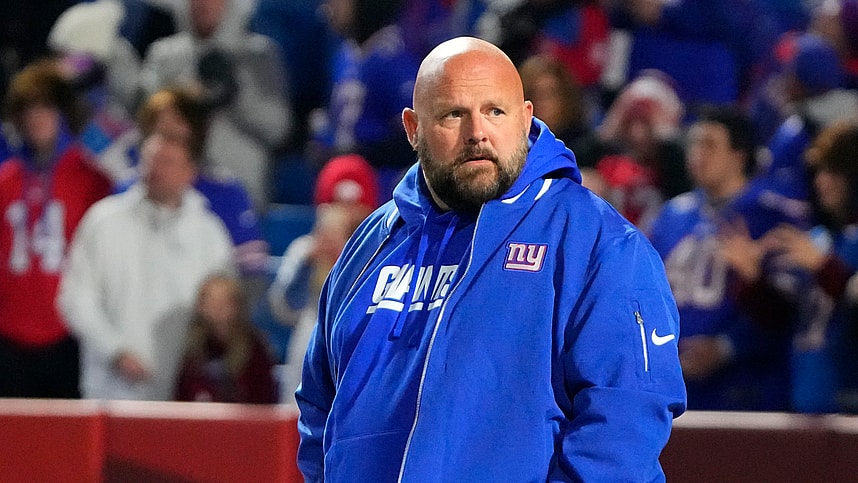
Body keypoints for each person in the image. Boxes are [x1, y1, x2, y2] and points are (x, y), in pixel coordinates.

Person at [296, 36, 686, 481]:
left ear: (525, 118)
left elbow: (626, 421)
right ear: (413, 128)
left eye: (495, 111)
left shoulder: (596, 242)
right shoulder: (372, 246)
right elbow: (318, 406)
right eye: (453, 114)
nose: (477, 132)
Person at [57, 86, 236, 401]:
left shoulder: (209, 233)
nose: (156, 169)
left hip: (182, 394)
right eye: (151, 159)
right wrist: (115, 351)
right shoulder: (103, 221)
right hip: (110, 391)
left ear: (189, 171)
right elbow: (75, 298)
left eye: (168, 161)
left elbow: (222, 310)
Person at [647, 105, 806, 411]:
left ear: (739, 155)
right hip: (676, 385)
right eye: (694, 143)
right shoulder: (671, 215)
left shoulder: (771, 215)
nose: (697, 154)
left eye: (710, 144)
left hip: (748, 390)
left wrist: (728, 346)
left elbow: (790, 311)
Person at [0, 58, 113, 398]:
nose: (37, 118)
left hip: (69, 334)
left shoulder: (93, 181)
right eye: (29, 109)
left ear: (64, 113)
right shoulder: (5, 182)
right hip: (8, 335)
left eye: (46, 107)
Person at [140, 0, 293, 209]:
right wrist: (185, 94)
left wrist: (236, 93)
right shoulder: (165, 55)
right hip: (170, 190)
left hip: (241, 189)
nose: (205, 4)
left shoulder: (259, 54)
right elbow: (145, 121)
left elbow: (278, 129)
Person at [267, 153, 379, 404]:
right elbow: (283, 309)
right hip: (309, 352)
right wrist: (311, 261)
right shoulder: (305, 249)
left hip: (359, 356)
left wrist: (345, 258)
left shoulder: (381, 251)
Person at [175, 272, 278, 403]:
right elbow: (182, 397)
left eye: (224, 301)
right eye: (211, 301)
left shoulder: (255, 349)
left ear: (237, 305)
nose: (217, 308)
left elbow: (264, 397)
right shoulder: (194, 350)